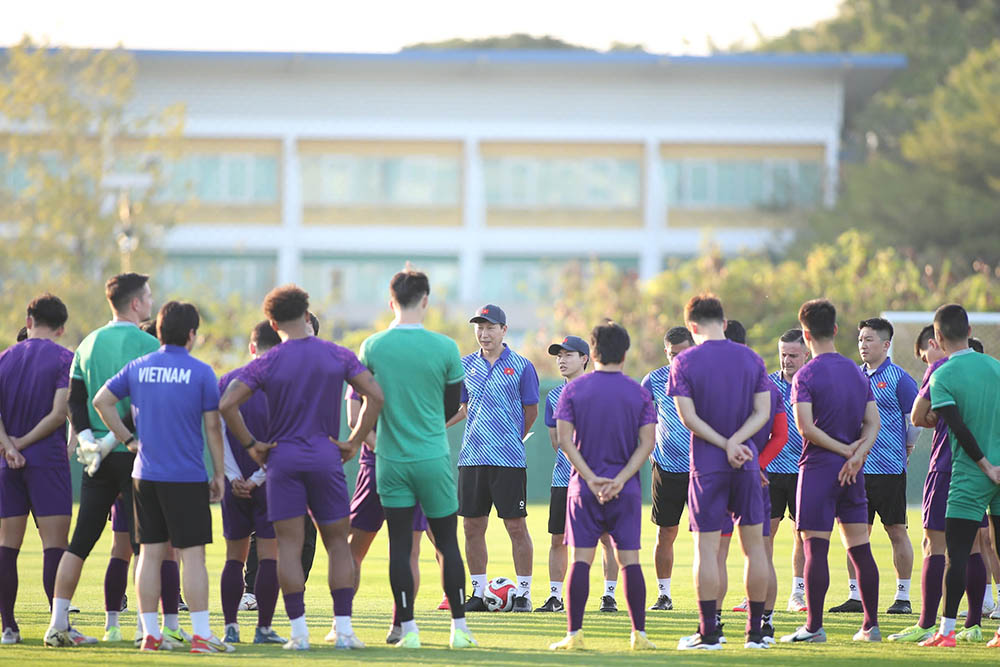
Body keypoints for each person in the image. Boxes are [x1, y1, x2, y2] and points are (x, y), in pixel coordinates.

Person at [219, 284, 384, 651]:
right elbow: (375, 395)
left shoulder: (268, 360)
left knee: (287, 548)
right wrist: (355, 442)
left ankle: (298, 634)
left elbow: (228, 404)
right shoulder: (337, 354)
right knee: (339, 544)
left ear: (272, 322)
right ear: (307, 315)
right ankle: (343, 630)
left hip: (283, 461)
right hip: (326, 457)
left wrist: (251, 445)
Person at [92, 301, 230, 653]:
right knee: (193, 556)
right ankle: (201, 635)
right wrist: (219, 472)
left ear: (158, 331)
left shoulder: (139, 367)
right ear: (192, 334)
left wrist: (127, 440)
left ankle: (150, 634)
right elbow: (213, 428)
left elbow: (102, 401)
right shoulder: (201, 372)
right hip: (185, 476)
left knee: (149, 555)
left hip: (145, 475)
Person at [356, 269, 476, 649]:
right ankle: (459, 629)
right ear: (426, 300)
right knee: (447, 544)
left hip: (391, 460)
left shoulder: (372, 347)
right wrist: (424, 425)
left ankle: (407, 630)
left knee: (398, 546)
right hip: (432, 457)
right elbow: (449, 405)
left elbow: (367, 403)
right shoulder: (445, 348)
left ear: (391, 302)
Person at [44, 273, 163, 647]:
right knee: (147, 545)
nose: (150, 300)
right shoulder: (148, 342)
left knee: (80, 542)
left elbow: (76, 400)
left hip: (96, 457)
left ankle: (57, 623)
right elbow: (146, 401)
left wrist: (89, 440)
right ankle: (149, 630)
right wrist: (116, 440)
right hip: (134, 453)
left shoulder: (88, 342)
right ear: (135, 304)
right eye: (147, 295)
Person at [668, 296, 771, 650]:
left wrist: (723, 443)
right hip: (746, 461)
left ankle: (709, 633)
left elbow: (688, 418)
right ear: (724, 323)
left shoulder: (683, 362)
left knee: (707, 550)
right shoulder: (752, 359)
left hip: (709, 464)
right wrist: (738, 441)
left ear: (692, 326)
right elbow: (763, 413)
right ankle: (756, 633)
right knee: (755, 548)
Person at [548, 321, 656, 651]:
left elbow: (564, 441)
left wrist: (591, 477)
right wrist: (621, 479)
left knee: (581, 559)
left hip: (584, 489)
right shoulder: (638, 391)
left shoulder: (572, 391)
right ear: (625, 352)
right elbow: (648, 443)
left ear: (591, 353)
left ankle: (574, 634)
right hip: (626, 492)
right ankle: (638, 634)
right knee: (630, 561)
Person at [780, 298, 882, 644]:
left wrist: (841, 451)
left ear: (805, 334)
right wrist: (857, 455)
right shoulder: (856, 370)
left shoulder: (805, 374)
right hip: (854, 471)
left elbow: (806, 428)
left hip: (819, 470)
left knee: (815, 550)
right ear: (835, 330)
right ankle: (871, 626)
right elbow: (874, 423)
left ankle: (814, 627)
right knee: (861, 548)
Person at [889, 325, 987, 642]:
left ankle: (927, 623)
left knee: (934, 545)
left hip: (946, 466)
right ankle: (973, 625)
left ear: (936, 342)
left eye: (923, 355)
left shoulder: (940, 368)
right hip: (981, 468)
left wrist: (933, 413)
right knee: (974, 547)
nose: (924, 362)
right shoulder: (987, 367)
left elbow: (919, 416)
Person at [449, 304, 539, 612]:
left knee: (516, 527)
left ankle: (524, 594)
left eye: (490, 327)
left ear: (503, 330)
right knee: (472, 527)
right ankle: (478, 592)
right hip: (472, 457)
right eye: (479, 327)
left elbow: (531, 412)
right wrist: (434, 427)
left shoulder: (523, 366)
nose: (483, 333)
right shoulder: (463, 365)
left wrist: (511, 438)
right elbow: (462, 409)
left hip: (508, 461)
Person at [922, 304, 1000, 647]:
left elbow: (958, 428)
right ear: (969, 331)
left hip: (970, 476)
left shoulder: (943, 375)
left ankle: (947, 631)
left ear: (938, 337)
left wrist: (985, 466)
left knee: (956, 553)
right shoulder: (996, 368)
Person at [830, 318, 918, 615]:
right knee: (856, 533)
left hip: (890, 471)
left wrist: (907, 446)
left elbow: (915, 417)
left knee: (896, 531)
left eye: (869, 340)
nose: (863, 345)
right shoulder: (853, 376)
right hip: (857, 469)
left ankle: (903, 598)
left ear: (885, 344)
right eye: (860, 340)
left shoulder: (898, 377)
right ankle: (856, 597)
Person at [0, 294, 74, 645]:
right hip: (48, 460)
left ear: (28, 321)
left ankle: (8, 628)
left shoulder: (3, 359)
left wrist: (11, 447)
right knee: (54, 547)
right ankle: (57, 625)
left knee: (7, 546)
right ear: (61, 328)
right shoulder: (64, 358)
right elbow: (60, 414)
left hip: (5, 461)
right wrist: (25, 443)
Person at [535, 336, 618, 614]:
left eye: (568, 355)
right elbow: (556, 441)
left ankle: (609, 596)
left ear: (585, 358)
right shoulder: (554, 397)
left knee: (606, 538)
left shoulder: (602, 392)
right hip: (563, 479)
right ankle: (555, 597)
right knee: (557, 538)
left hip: (599, 478)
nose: (561, 360)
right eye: (559, 356)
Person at [344, 384, 433, 643]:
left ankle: (343, 624)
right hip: (413, 467)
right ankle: (402, 625)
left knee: (353, 551)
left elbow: (353, 419)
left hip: (376, 468)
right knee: (409, 553)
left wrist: (382, 450)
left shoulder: (365, 367)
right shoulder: (420, 368)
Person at [218, 321, 285, 646]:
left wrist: (233, 477)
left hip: (235, 483)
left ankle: (230, 627)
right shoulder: (285, 382)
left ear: (252, 346)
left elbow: (216, 431)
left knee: (234, 557)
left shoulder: (227, 381)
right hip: (270, 483)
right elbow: (282, 437)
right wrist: (258, 478)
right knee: (269, 556)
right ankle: (263, 628)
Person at [724, 321, 790, 645]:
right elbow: (781, 435)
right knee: (760, 551)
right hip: (755, 475)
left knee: (714, 550)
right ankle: (763, 624)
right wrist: (758, 464)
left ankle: (711, 625)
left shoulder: (712, 378)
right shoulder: (766, 381)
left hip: (718, 472)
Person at [641, 326, 693, 612]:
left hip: (701, 468)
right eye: (672, 354)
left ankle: (706, 595)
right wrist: (649, 450)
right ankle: (664, 595)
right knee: (665, 533)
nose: (677, 360)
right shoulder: (655, 380)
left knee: (706, 536)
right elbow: (642, 419)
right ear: (666, 353)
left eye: (683, 354)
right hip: (667, 467)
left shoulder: (705, 378)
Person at [767, 329, 810, 612]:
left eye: (793, 355)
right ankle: (758, 589)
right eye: (783, 354)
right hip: (770, 470)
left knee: (801, 534)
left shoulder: (813, 384)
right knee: (762, 534)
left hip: (805, 471)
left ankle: (797, 595)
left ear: (806, 354)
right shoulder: (767, 384)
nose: (787, 360)